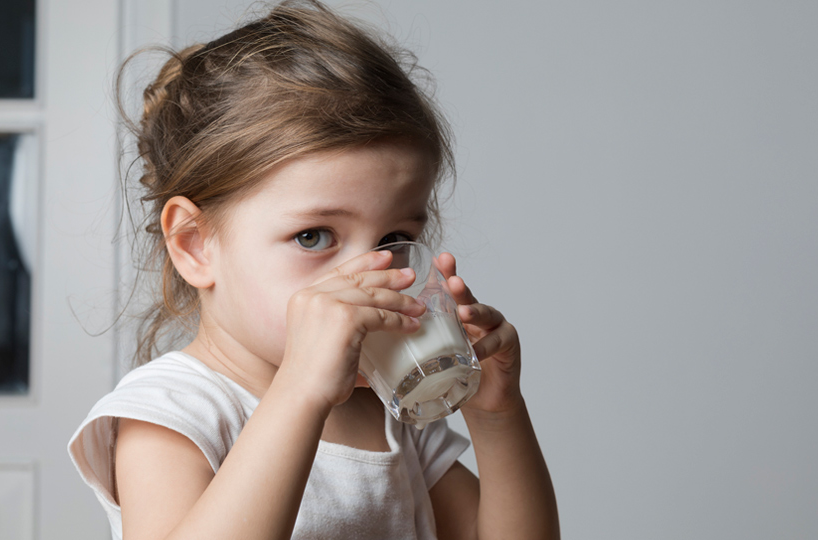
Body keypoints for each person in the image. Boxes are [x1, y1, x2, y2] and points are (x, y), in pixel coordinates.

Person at [69, 1, 559, 538]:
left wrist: (497, 416)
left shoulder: (390, 408)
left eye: (395, 240)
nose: (365, 277)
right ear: (195, 245)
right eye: (313, 236)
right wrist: (301, 390)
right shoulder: (173, 413)